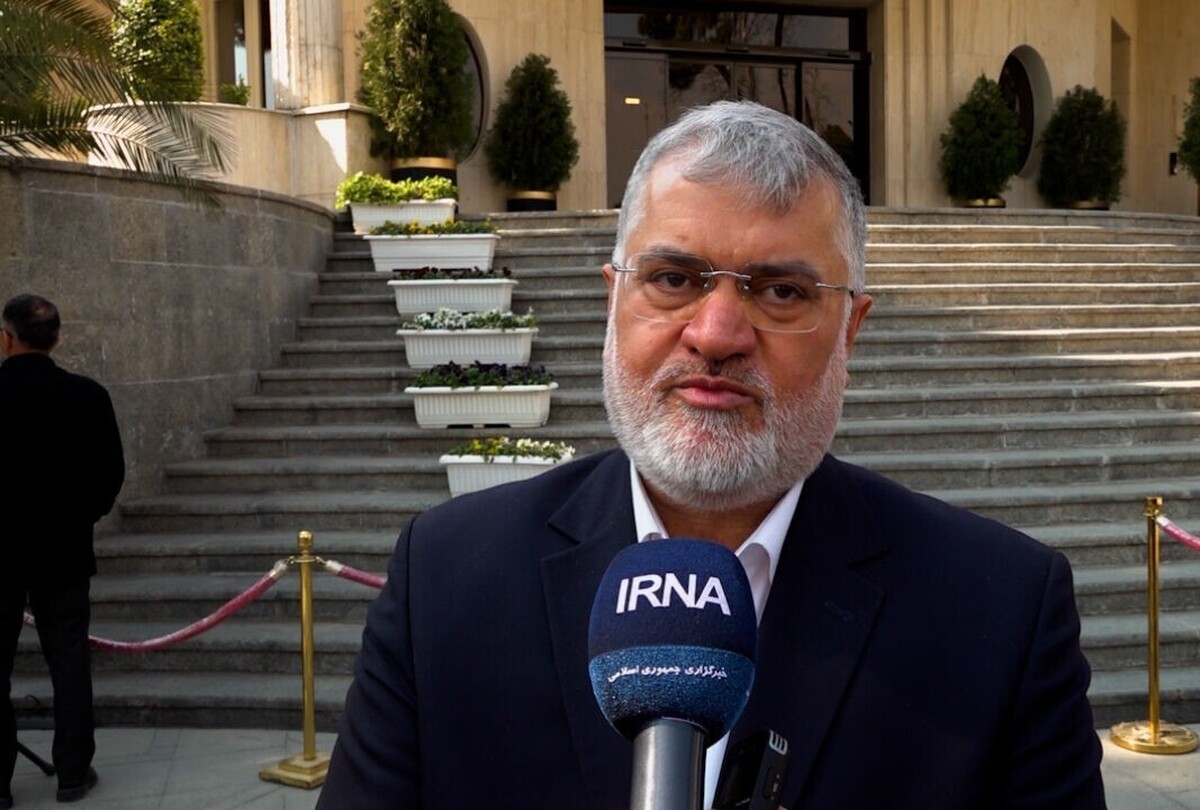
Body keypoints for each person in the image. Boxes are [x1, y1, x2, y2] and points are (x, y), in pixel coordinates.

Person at [317, 101, 1105, 809]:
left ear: (851, 330)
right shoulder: (446, 582)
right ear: (614, 300)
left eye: (782, 291)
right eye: (673, 279)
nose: (717, 334)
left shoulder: (1001, 614)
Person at [0, 294, 125, 807]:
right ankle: (73, 773)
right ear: (56, 338)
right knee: (69, 660)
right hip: (64, 549)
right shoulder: (86, 396)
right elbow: (110, 474)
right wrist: (79, 518)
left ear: (6, 339)